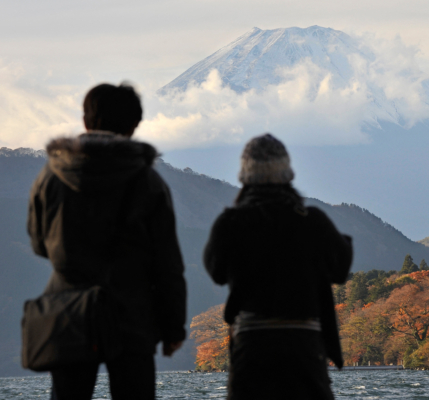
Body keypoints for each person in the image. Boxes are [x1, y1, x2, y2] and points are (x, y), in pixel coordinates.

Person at [27, 83, 187, 400]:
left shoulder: (51, 176)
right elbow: (167, 263)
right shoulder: (148, 180)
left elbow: (39, 243)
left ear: (86, 120)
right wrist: (173, 329)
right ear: (133, 126)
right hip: (133, 315)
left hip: (68, 310)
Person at [204, 134, 353, 400]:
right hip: (304, 342)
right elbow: (340, 270)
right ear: (287, 173)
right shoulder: (312, 220)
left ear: (245, 175)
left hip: (251, 342)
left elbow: (216, 271)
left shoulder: (231, 222)